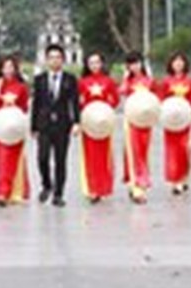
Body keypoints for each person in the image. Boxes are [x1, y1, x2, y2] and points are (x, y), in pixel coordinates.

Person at [32, 43, 79, 207]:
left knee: (60, 160)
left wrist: (76, 123)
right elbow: (36, 104)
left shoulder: (70, 79)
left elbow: (74, 103)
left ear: (63, 60)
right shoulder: (40, 80)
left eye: (58, 57)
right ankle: (46, 184)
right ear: (46, 60)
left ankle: (58, 194)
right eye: (51, 57)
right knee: (42, 158)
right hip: (44, 125)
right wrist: (34, 127)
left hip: (62, 124)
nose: (54, 60)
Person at [0, 54, 30, 206]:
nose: (8, 70)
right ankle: (2, 192)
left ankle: (17, 191)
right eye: (5, 67)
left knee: (16, 159)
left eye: (11, 66)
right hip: (1, 126)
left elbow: (25, 107)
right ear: (0, 69)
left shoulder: (21, 87)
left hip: (15, 126)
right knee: (2, 159)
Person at [77, 51, 119, 204]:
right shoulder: (82, 82)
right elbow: (78, 102)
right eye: (91, 63)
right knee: (90, 155)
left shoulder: (108, 81)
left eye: (97, 62)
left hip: (103, 122)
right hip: (89, 122)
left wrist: (105, 110)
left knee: (104, 155)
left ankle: (103, 187)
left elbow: (115, 99)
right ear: (87, 65)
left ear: (102, 64)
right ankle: (92, 188)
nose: (94, 65)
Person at [159, 52, 191, 195]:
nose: (178, 64)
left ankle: (184, 178)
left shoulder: (190, 82)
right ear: (171, 64)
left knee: (185, 149)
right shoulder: (166, 82)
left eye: (181, 61)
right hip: (171, 120)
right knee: (172, 151)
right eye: (175, 61)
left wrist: (186, 105)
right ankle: (175, 181)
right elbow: (161, 99)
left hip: (186, 119)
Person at [120, 52, 156, 203]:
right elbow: (121, 92)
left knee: (142, 151)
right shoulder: (128, 81)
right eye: (131, 64)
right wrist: (124, 78)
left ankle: (138, 182)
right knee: (132, 152)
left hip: (146, 122)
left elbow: (155, 99)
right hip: (131, 120)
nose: (135, 66)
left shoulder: (149, 81)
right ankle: (136, 186)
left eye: (137, 63)